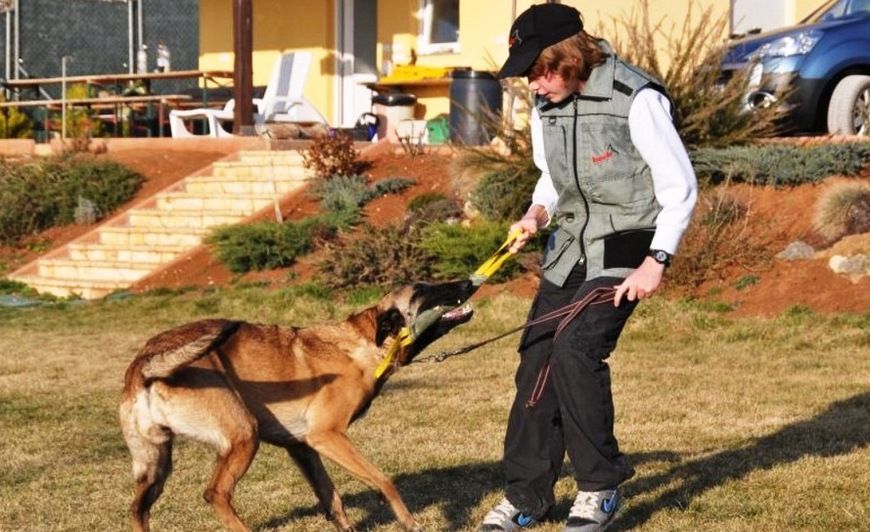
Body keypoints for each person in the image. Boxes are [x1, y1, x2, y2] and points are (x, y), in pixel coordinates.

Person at [481, 4, 697, 531]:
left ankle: (599, 488)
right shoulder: (545, 105)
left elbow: (680, 188)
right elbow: (552, 178)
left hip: (627, 248)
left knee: (576, 350)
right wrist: (536, 212)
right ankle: (527, 496)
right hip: (567, 247)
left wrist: (657, 261)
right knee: (537, 360)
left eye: (538, 70)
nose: (533, 84)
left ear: (568, 58)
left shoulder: (636, 98)